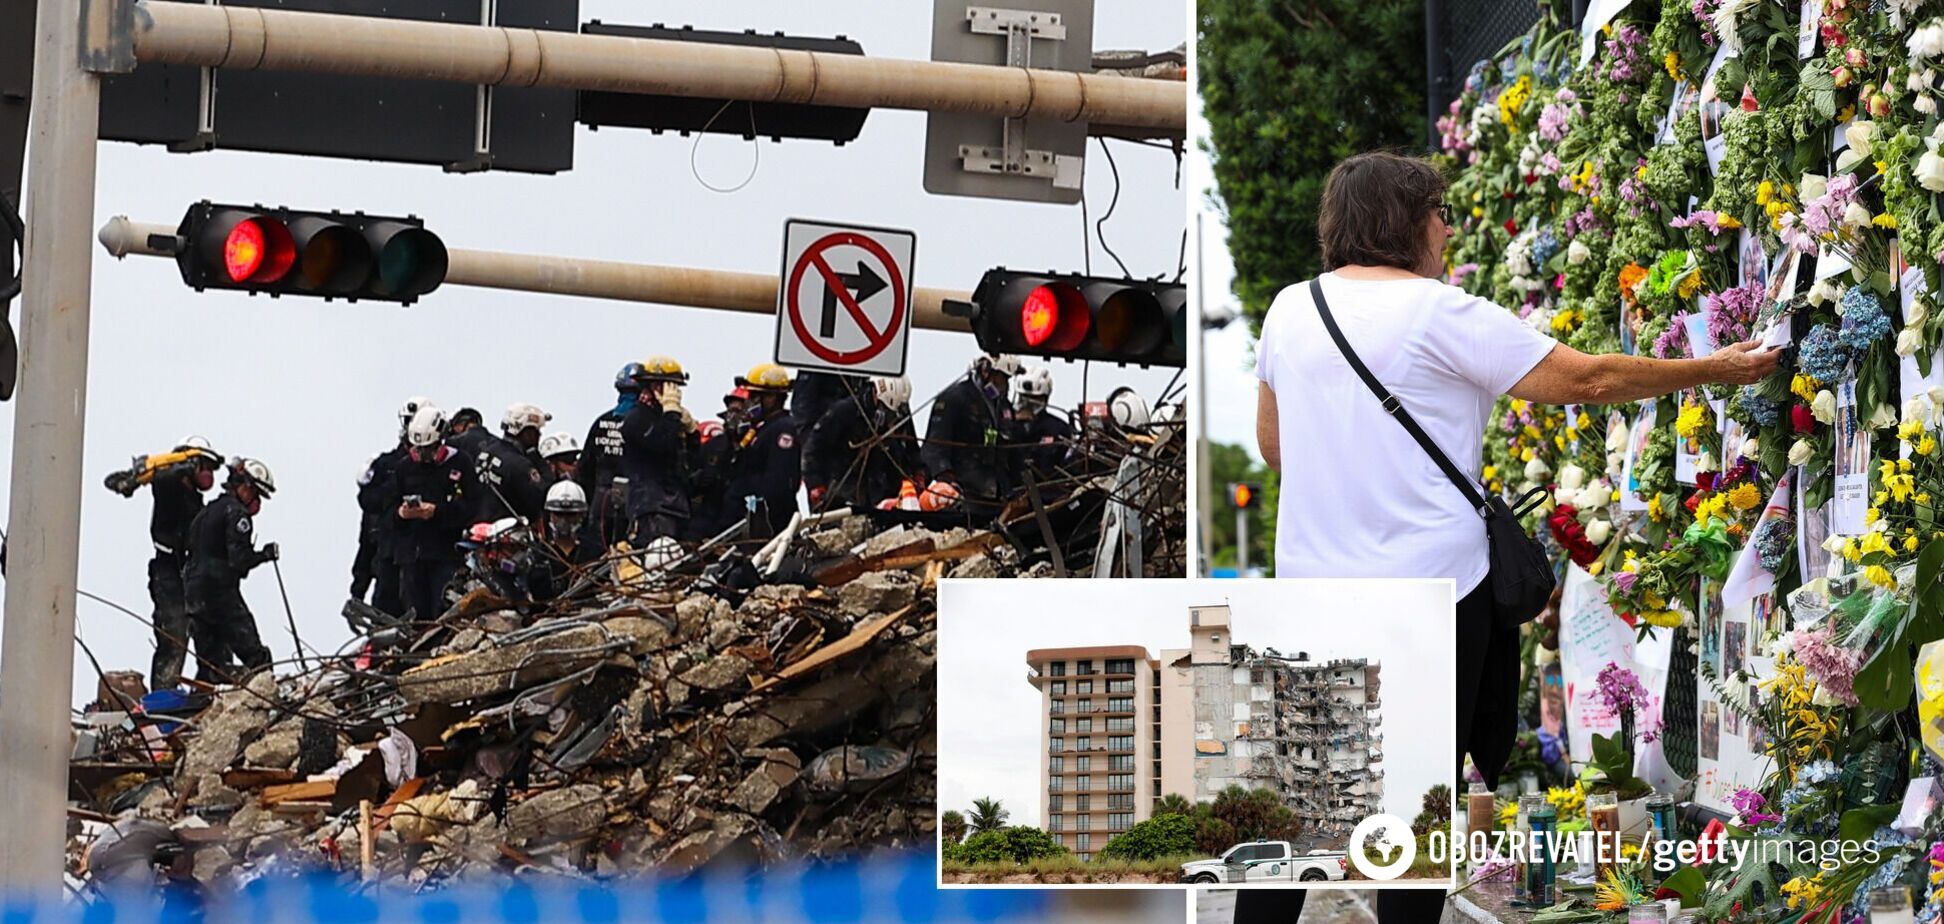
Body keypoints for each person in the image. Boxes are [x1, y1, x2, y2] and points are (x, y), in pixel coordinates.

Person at [1247, 152, 1780, 922]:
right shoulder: (1439, 312)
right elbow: (1587, 380)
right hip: (1430, 596)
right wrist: (1716, 368)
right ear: (1406, 220)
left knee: (1298, 804)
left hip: (1311, 599)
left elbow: (1275, 448)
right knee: (1416, 808)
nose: (1447, 230)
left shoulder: (1290, 311)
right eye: (1439, 214)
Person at [106, 436, 225, 689]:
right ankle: (163, 698)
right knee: (174, 635)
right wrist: (181, 464)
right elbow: (162, 478)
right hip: (168, 572)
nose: (209, 474)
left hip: (189, 573)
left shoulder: (194, 501)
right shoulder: (169, 486)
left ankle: (207, 687)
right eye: (205, 466)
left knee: (209, 629)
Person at [181, 458, 279, 681]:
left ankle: (206, 697)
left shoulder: (206, 512)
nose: (256, 502)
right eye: (256, 494)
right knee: (255, 656)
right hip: (219, 592)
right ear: (245, 486)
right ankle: (266, 693)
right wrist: (264, 555)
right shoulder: (236, 514)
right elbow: (239, 560)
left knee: (211, 666)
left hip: (194, 594)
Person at [388, 405, 473, 621]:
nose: (423, 455)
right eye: (419, 449)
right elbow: (388, 514)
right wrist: (402, 514)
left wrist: (437, 512)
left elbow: (472, 507)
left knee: (443, 612)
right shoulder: (403, 468)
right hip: (411, 556)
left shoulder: (461, 463)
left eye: (429, 449)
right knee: (415, 616)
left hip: (446, 554)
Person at [353, 397, 428, 617]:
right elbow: (368, 531)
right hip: (389, 561)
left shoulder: (444, 466)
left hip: (424, 564)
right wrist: (358, 588)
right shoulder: (385, 466)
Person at [921, 354, 1023, 512]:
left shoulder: (1003, 407)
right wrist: (947, 482)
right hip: (965, 495)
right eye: (1002, 378)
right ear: (985, 371)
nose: (1005, 386)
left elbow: (1014, 453)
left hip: (999, 496)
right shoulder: (954, 399)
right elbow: (935, 448)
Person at [803, 375, 921, 510]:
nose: (888, 417)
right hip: (838, 498)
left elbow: (907, 452)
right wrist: (815, 483)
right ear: (876, 393)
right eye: (885, 409)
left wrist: (918, 473)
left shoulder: (895, 421)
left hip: (878, 498)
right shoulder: (845, 411)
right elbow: (814, 447)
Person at [620, 356, 696, 545]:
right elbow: (660, 445)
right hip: (651, 507)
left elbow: (692, 460)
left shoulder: (669, 420)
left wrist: (691, 431)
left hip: (677, 506)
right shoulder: (636, 419)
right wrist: (671, 414)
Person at [725, 362, 802, 536]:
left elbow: (779, 482)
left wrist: (744, 488)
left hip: (773, 523)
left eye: (756, 396)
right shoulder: (761, 428)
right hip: (753, 519)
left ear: (773, 397)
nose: (751, 402)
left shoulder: (783, 429)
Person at [577, 363, 645, 547]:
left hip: (600, 503)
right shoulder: (645, 425)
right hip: (636, 505)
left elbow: (584, 469)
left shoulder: (601, 422)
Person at [686, 384, 747, 540]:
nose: (733, 417)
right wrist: (699, 479)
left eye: (739, 411)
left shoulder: (757, 443)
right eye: (731, 411)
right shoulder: (715, 445)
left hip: (743, 521)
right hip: (709, 517)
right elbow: (690, 480)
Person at [474, 402, 551, 522]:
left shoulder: (485, 452)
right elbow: (541, 499)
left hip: (477, 524)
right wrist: (540, 462)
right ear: (527, 432)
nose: (539, 435)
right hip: (507, 528)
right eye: (536, 431)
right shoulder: (520, 465)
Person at [531, 481, 602, 602]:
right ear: (550, 515)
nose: (564, 521)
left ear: (581, 515)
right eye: (558, 514)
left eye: (570, 515)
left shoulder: (595, 552)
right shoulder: (538, 554)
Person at [1009, 366, 1075, 487]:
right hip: (1011, 492)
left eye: (1034, 399)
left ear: (1044, 399)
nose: (1027, 404)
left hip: (1050, 493)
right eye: (1023, 398)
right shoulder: (1006, 425)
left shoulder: (1058, 429)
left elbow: (1069, 465)